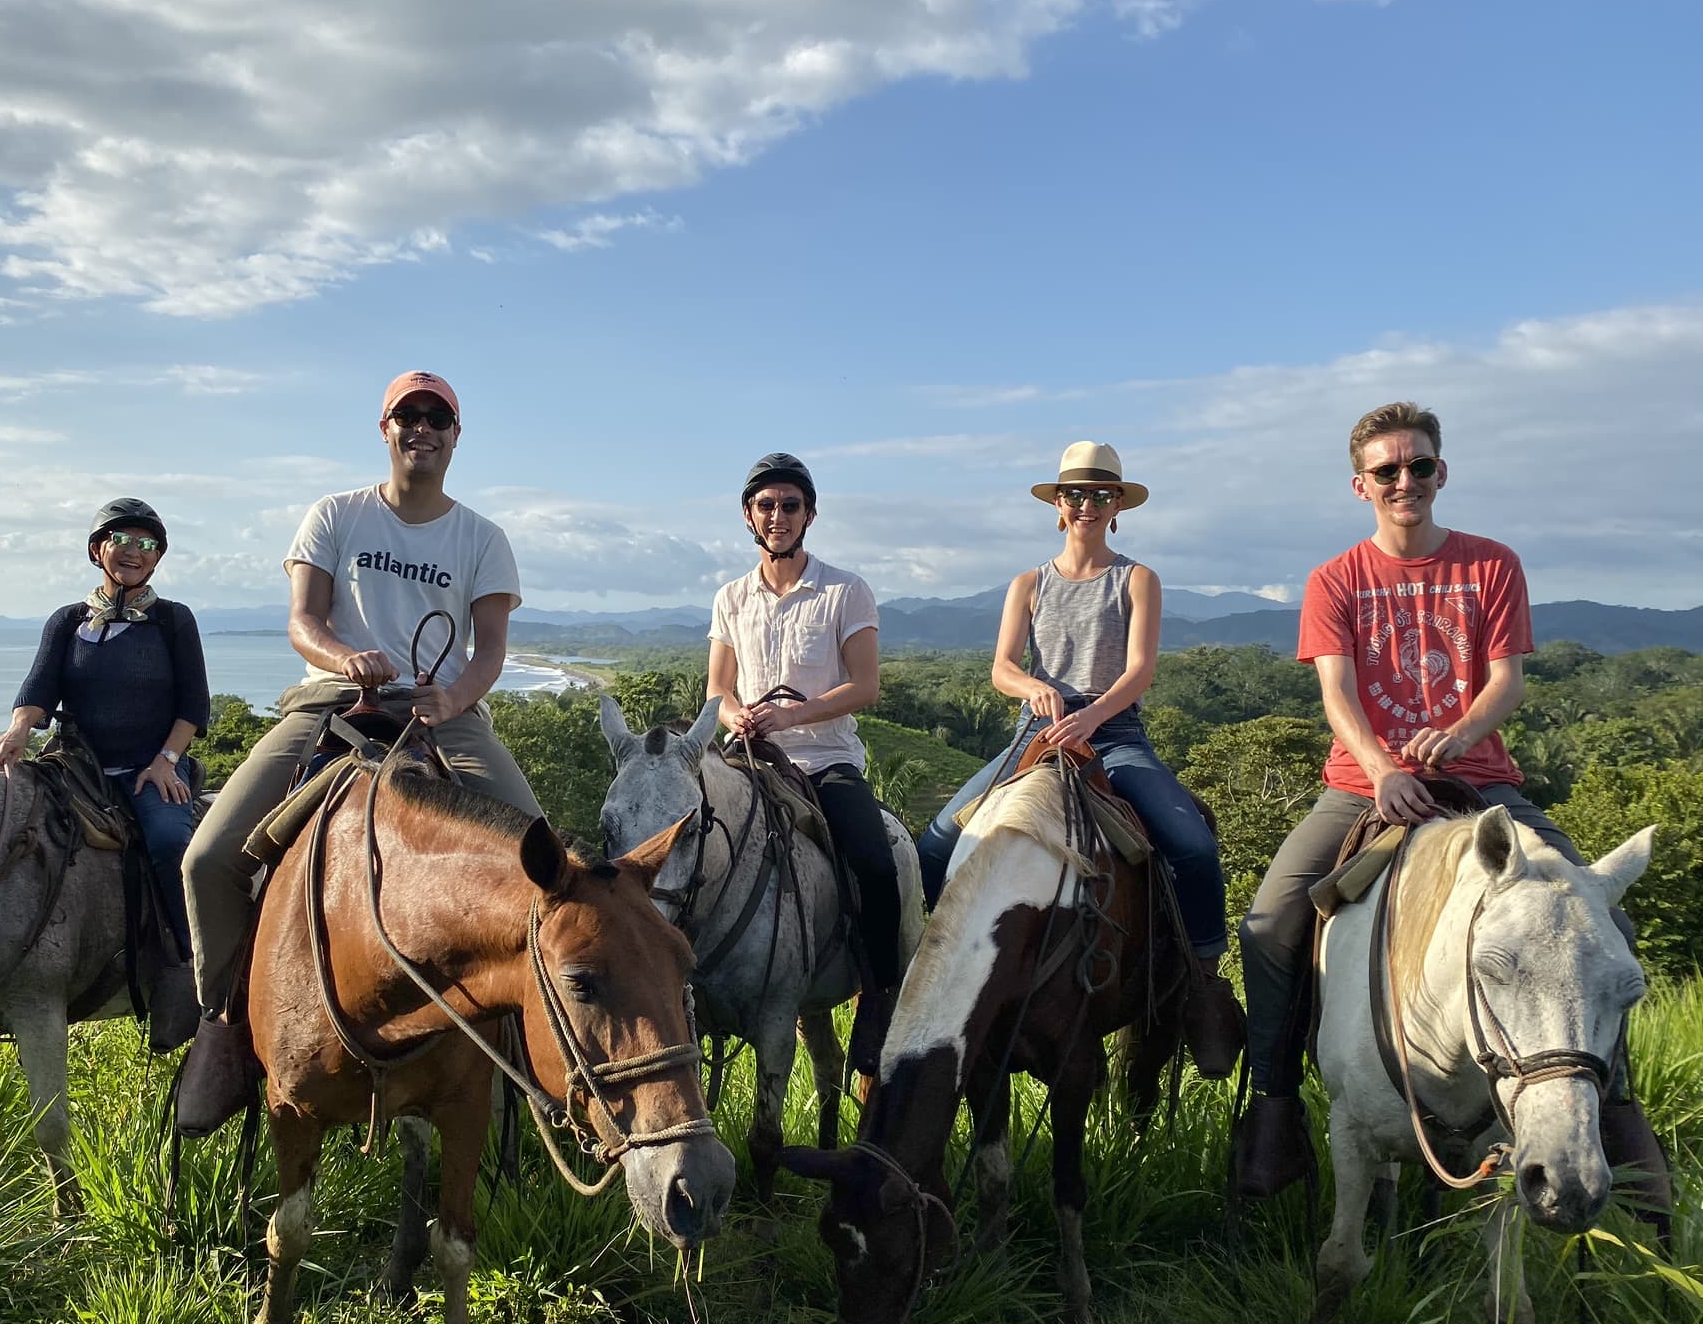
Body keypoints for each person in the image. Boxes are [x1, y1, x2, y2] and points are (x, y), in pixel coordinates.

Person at [1231, 401, 1670, 1215]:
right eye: (1389, 470)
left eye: (1420, 466)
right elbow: (1338, 691)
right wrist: (1381, 769)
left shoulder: (1490, 564)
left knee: (1598, 919)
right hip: (1362, 785)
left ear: (1442, 472)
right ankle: (1275, 1101)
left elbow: (1505, 680)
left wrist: (1456, 735)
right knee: (1269, 924)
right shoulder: (1336, 579)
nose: (1406, 481)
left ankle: (1612, 1104)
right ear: (1360, 485)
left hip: (1481, 784)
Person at [176, 371, 542, 1129]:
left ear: (455, 435)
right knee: (208, 858)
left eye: (437, 417)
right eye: (407, 416)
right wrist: (345, 658)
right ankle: (227, 1027)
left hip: (443, 715)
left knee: (545, 869)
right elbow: (303, 622)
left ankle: (531, 1059)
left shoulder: (481, 537)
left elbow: (490, 651)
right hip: (332, 701)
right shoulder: (335, 515)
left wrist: (455, 698)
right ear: (385, 429)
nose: (422, 429)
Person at [914, 442, 1244, 1075]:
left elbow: (1141, 667)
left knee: (1192, 844)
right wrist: (1033, 688)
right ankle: (930, 971)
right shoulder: (1029, 583)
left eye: (1100, 494)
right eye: (1075, 494)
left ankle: (1206, 980)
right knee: (934, 842)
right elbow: (1003, 667)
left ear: (1118, 505)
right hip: (1034, 731)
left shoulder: (1137, 578)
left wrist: (1091, 716)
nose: (1086, 505)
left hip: (1113, 731)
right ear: (1057, 506)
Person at [0, 498, 210, 1049]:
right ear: (97, 550)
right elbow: (39, 688)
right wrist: (18, 730)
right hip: (77, 766)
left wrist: (166, 761)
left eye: (147, 544)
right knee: (9, 824)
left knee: (167, 843)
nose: (134, 552)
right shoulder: (67, 621)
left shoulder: (172, 619)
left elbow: (194, 705)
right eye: (122, 541)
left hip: (148, 768)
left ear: (157, 560)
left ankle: (189, 967)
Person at [707, 453, 902, 1076]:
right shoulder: (731, 598)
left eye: (790, 505)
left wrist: (795, 716)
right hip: (750, 760)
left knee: (873, 858)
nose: (778, 515)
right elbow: (718, 690)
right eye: (766, 505)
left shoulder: (846, 589)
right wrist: (734, 715)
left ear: (809, 514)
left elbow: (866, 685)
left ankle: (880, 998)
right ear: (749, 516)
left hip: (824, 761)